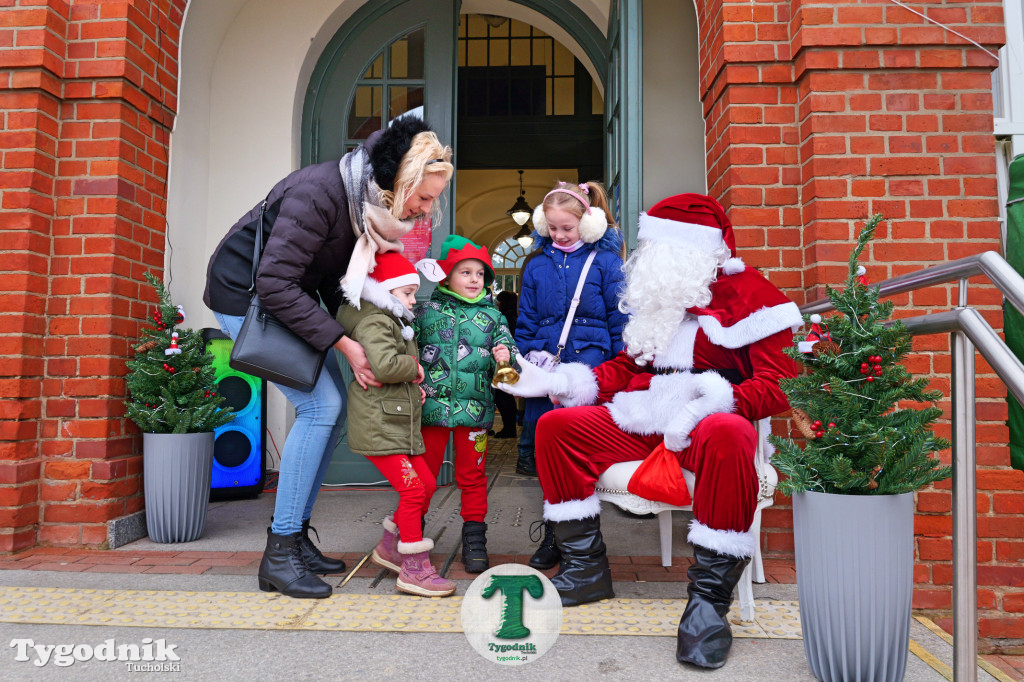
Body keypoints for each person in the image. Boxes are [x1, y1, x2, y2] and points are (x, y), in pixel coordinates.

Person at [497, 194, 802, 669]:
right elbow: (625, 367)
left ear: (696, 250)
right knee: (557, 426)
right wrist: (562, 382)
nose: (649, 257)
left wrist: (715, 400)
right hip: (645, 419)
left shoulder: (752, 297)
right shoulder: (661, 301)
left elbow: (781, 382)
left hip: (708, 424)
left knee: (730, 432)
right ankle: (584, 569)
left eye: (660, 246)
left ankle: (708, 605)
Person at [203, 116, 453, 599]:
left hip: (281, 293)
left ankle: (294, 538)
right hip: (245, 296)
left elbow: (325, 277)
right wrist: (345, 342)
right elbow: (276, 282)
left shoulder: (364, 204)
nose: (426, 211)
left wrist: (365, 333)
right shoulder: (320, 193)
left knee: (329, 410)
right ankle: (278, 555)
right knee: (322, 407)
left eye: (432, 200)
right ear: (397, 180)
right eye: (423, 197)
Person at [514, 180, 627, 571]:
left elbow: (620, 321)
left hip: (591, 370)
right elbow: (526, 321)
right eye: (553, 228)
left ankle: (582, 536)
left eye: (568, 227)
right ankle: (554, 532)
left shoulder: (607, 264)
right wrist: (521, 366)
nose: (560, 235)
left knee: (581, 452)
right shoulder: (537, 265)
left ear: (589, 224)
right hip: (547, 371)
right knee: (548, 455)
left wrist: (619, 374)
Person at [336, 252, 455, 597]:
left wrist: (410, 386)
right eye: (406, 293)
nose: (413, 300)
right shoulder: (375, 320)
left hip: (397, 422)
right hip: (379, 426)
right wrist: (415, 370)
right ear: (384, 291)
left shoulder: (390, 318)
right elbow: (386, 365)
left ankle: (390, 546)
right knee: (414, 489)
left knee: (428, 483)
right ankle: (414, 568)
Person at [413, 235, 518, 573]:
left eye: (480, 274)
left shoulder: (493, 318)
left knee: (472, 477)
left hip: (475, 413)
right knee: (424, 476)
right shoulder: (425, 313)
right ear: (446, 276)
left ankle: (474, 537)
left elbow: (510, 361)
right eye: (466, 272)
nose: (475, 280)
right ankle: (412, 534)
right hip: (431, 411)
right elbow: (406, 351)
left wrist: (507, 357)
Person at [491, 290, 520, 439]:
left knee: (503, 396)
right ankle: (509, 427)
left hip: (504, 360)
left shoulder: (505, 318)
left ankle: (509, 428)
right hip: (509, 359)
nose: (498, 304)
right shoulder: (514, 316)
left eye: (500, 301)